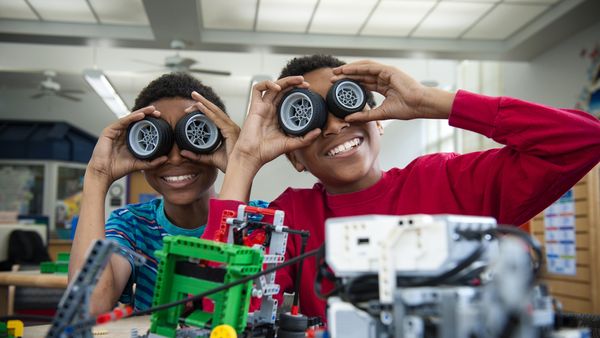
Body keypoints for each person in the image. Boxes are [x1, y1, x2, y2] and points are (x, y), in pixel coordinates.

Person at [202, 55, 600, 320]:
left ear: (377, 120)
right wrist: (244, 161)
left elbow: (582, 140)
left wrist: (432, 101)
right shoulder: (289, 218)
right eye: (309, 119)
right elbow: (217, 312)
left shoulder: (447, 182)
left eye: (347, 106)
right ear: (295, 158)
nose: (336, 126)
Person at [70, 72, 241, 314]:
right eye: (157, 141)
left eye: (193, 136)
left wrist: (240, 165)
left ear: (219, 139)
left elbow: (222, 304)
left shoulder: (257, 220)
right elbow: (86, 309)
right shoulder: (131, 225)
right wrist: (97, 176)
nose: (174, 157)